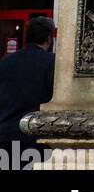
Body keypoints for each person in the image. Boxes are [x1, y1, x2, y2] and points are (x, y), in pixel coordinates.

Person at [0, 17, 56, 159]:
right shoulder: (52, 62)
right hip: (34, 137)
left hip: (5, 135)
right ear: (49, 38)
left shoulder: (6, 61)